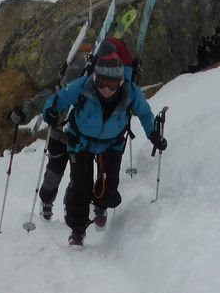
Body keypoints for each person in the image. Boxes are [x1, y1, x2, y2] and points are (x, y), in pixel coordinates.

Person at [40, 39, 166, 248]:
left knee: (109, 187)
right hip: (80, 142)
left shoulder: (130, 92)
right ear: (96, 78)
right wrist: (50, 113)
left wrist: (153, 134)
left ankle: (100, 206)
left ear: (120, 82)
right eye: (102, 83)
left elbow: (144, 113)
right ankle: (77, 231)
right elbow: (58, 99)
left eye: (113, 84)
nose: (107, 89)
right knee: (81, 185)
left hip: (112, 144)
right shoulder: (83, 85)